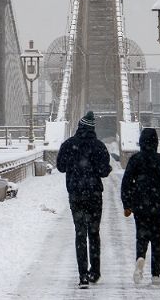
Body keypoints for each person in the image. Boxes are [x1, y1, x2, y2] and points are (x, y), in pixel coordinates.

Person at [56, 110, 112, 288]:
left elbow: (60, 167)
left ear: (79, 127)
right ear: (93, 128)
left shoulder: (68, 145)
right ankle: (94, 272)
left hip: (76, 195)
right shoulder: (99, 146)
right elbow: (104, 172)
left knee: (80, 234)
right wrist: (103, 168)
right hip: (94, 195)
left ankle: (82, 276)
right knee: (94, 233)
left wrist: (75, 166)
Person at [120, 127, 160, 285]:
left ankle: (140, 258)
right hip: (158, 205)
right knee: (156, 239)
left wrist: (127, 204)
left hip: (140, 205)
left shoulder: (135, 159)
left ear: (140, 142)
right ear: (156, 142)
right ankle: (155, 274)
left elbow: (126, 183)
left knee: (141, 236)